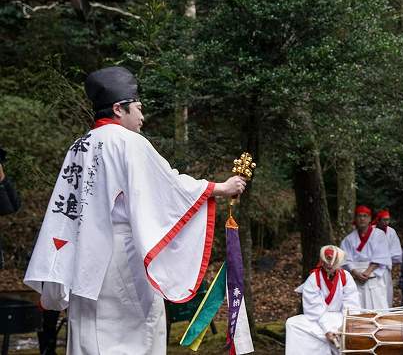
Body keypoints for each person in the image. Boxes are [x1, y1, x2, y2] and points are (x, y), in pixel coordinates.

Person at [24, 66, 247, 354]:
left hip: (82, 259)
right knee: (134, 333)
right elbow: (169, 185)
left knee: (88, 334)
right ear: (119, 108)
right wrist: (220, 187)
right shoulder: (128, 142)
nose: (142, 118)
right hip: (119, 259)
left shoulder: (78, 146)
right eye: (138, 109)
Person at [285, 245, 360, 355]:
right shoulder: (314, 278)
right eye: (327, 261)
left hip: (340, 317)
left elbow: (351, 305)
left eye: (333, 262)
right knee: (292, 323)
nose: (329, 265)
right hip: (318, 318)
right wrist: (327, 330)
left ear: (339, 262)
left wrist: (344, 326)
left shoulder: (346, 277)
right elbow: (314, 308)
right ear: (322, 260)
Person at [340, 205, 392, 309]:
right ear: (355, 219)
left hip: (373, 276)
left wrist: (367, 272)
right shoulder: (348, 239)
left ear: (370, 219)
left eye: (365, 216)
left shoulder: (379, 235)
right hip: (356, 278)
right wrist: (355, 272)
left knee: (377, 307)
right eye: (359, 216)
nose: (362, 219)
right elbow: (345, 259)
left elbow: (381, 255)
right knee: (357, 308)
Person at [373, 208, 403, 306]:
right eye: (384, 220)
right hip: (371, 268)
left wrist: (385, 258)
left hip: (385, 268)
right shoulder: (370, 231)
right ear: (378, 220)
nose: (386, 222)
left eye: (388, 219)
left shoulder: (391, 232)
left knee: (386, 293)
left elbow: (396, 252)